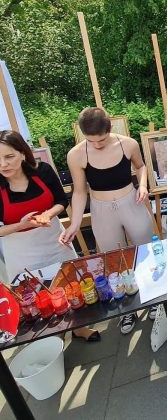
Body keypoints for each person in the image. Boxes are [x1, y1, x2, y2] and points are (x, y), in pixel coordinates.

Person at [59, 107, 154, 335]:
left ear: (109, 129)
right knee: (114, 260)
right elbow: (79, 191)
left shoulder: (127, 144)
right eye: (91, 141)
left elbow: (140, 166)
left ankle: (153, 299)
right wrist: (74, 223)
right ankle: (127, 308)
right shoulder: (76, 154)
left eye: (101, 140)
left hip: (131, 201)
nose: (97, 145)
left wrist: (142, 185)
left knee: (145, 251)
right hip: (101, 209)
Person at [0, 131, 99, 341]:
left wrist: (47, 214)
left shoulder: (42, 171)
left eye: (9, 157)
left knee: (69, 283)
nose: (3, 164)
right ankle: (54, 335)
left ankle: (78, 327)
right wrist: (23, 224)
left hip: (53, 239)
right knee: (37, 295)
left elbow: (61, 201)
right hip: (20, 250)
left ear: (22, 153)